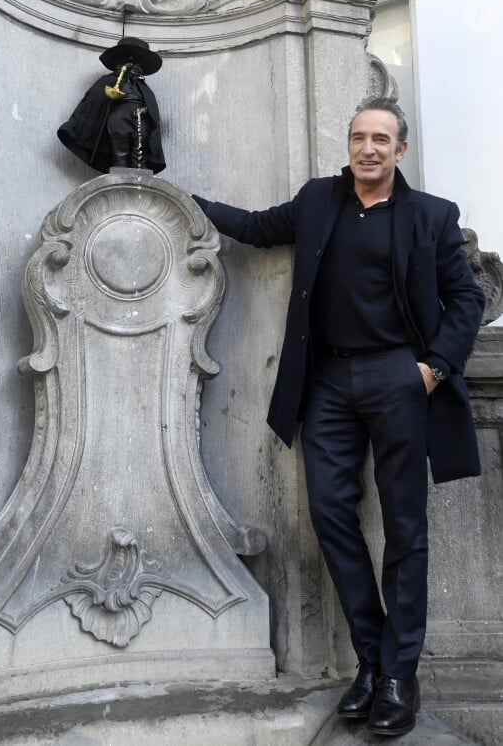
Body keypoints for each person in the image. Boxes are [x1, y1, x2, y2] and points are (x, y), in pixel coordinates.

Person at [193, 97, 484, 737]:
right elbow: (255, 226)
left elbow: (468, 296)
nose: (369, 148)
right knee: (330, 514)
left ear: (400, 149)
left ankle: (397, 677)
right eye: (359, 137)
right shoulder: (319, 200)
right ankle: (375, 661)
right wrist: (179, 199)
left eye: (381, 139)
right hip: (325, 382)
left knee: (406, 532)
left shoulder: (431, 216)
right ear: (348, 144)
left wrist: (432, 367)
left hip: (399, 379)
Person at [58, 37, 165, 174]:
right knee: (120, 150)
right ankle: (120, 172)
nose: (131, 65)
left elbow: (152, 109)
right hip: (118, 118)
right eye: (128, 61)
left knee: (141, 146)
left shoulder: (143, 88)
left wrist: (145, 110)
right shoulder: (109, 81)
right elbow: (93, 101)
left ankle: (140, 171)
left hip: (140, 118)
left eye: (136, 62)